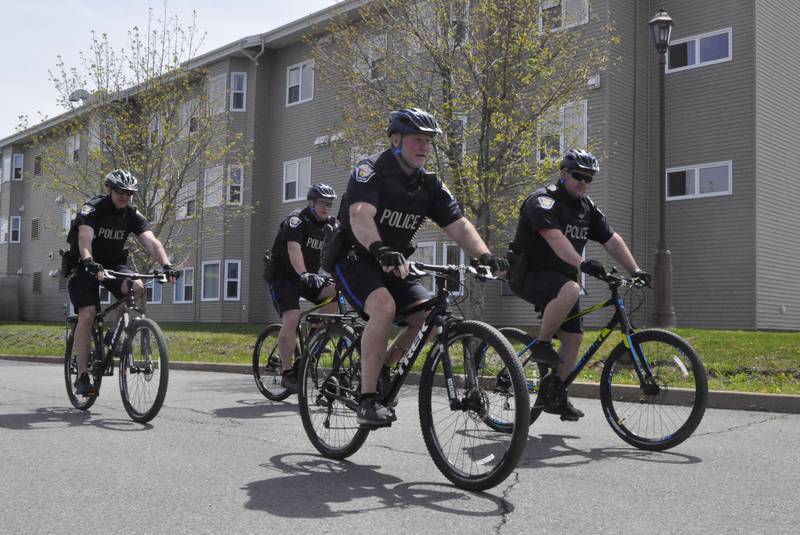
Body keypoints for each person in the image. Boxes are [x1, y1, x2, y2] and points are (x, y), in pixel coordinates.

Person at [333, 107, 508, 427]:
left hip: (394, 262)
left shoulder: (429, 184)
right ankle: (367, 400)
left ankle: (384, 369)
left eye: (428, 141)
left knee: (427, 317)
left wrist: (485, 255)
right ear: (395, 140)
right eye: (417, 139)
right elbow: (360, 214)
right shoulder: (371, 170)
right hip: (355, 256)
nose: (424, 146)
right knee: (383, 306)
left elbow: (459, 225)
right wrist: (379, 248)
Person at [509, 149, 651, 421]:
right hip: (529, 274)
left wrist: (636, 270)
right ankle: (542, 344)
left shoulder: (586, 208)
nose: (583, 182)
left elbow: (611, 239)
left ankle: (555, 394)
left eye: (589, 178)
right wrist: (582, 264)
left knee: (574, 339)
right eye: (578, 176)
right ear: (563, 173)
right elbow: (555, 238)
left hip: (562, 280)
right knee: (572, 288)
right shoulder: (543, 201)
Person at [67, 169, 179, 396]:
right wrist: (89, 260)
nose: (125, 196)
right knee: (87, 314)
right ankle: (82, 376)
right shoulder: (93, 208)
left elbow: (151, 242)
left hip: (114, 264)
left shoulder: (131, 215)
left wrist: (167, 265)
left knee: (136, 287)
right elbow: (84, 238)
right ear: (110, 189)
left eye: (129, 193)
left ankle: (114, 335)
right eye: (120, 191)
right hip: (85, 265)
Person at [268, 183, 339, 394]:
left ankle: (314, 341)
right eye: (322, 203)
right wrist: (303, 273)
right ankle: (287, 373)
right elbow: (293, 248)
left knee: (335, 293)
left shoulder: (332, 225)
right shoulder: (297, 219)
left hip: (308, 277)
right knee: (292, 318)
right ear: (311, 203)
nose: (326, 208)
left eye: (329, 204)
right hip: (283, 277)